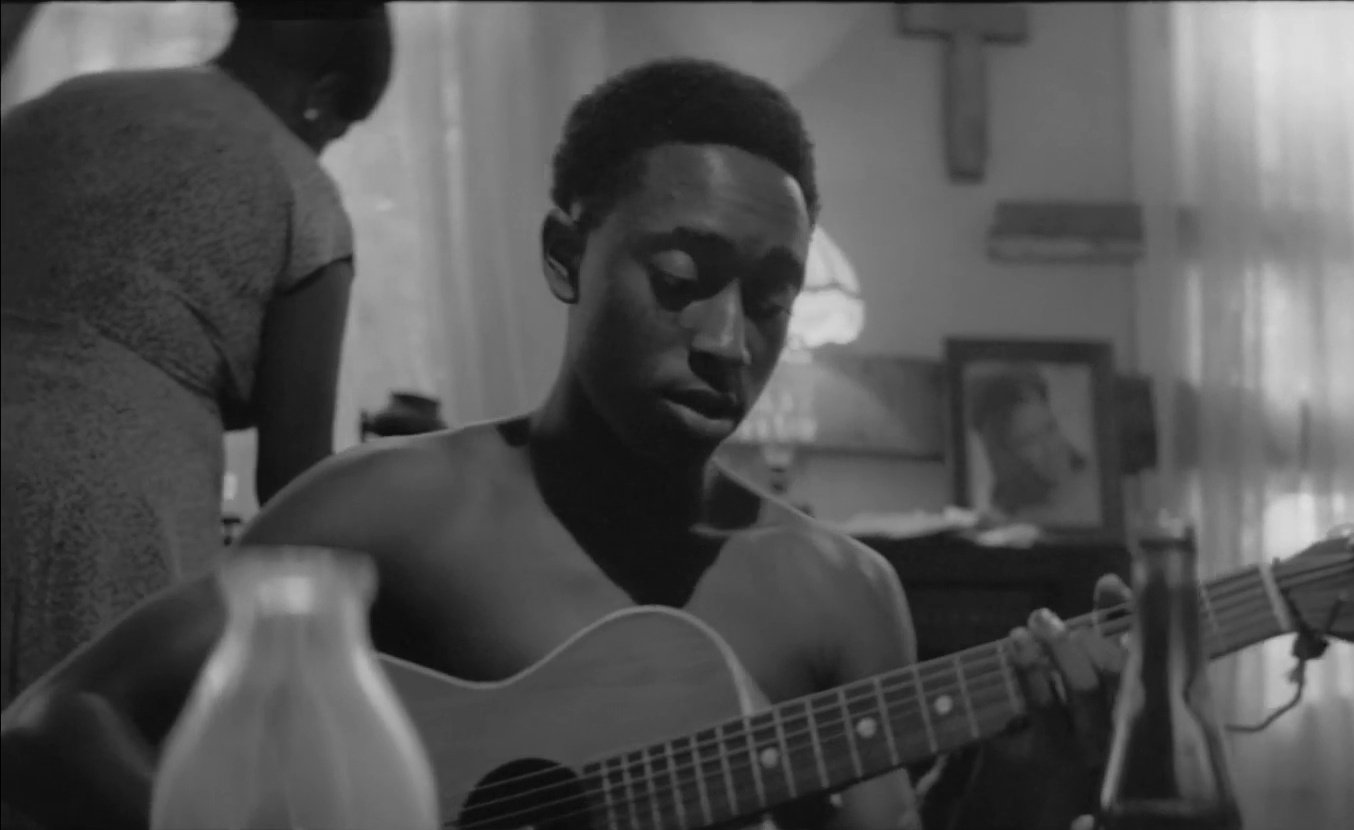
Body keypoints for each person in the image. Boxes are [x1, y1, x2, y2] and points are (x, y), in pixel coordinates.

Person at [0, 58, 1129, 830]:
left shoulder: (841, 591)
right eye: (679, 278)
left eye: (772, 301)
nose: (728, 341)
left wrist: (1027, 783)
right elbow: (55, 721)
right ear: (564, 256)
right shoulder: (388, 513)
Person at [0, 3, 395, 708]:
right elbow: (293, 483)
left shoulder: (62, 106)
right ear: (324, 95)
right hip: (111, 511)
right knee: (78, 739)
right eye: (339, 129)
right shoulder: (300, 194)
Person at [967, 365, 1102, 527]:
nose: (1051, 448)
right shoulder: (1005, 523)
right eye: (1029, 441)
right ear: (1004, 455)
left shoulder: (1099, 481)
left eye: (1050, 428)